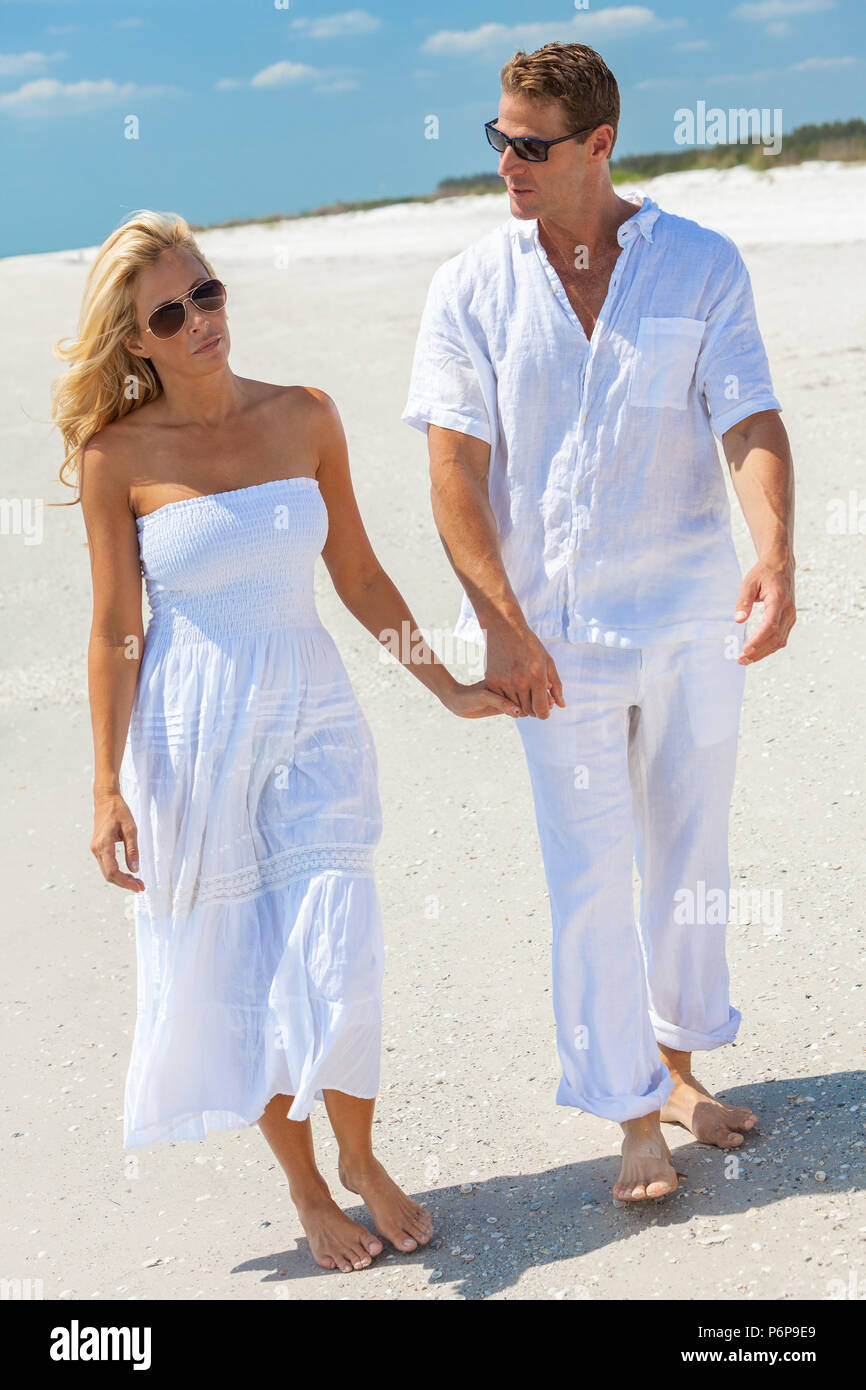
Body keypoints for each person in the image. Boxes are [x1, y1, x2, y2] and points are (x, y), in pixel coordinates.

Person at [52, 210, 520, 1271]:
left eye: (203, 293)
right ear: (135, 341)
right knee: (243, 965)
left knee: (337, 943)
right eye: (167, 313)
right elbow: (117, 628)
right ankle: (307, 1188)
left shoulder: (305, 414)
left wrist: (442, 682)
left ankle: (358, 1157)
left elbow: (355, 574)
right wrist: (103, 787)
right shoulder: (116, 454)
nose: (198, 321)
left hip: (311, 715)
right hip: (189, 738)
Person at [402, 43, 796, 1202]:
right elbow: (452, 473)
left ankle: (676, 1068)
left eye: (530, 144)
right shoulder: (467, 286)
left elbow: (750, 416)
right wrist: (500, 622)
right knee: (588, 874)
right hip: (552, 640)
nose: (507, 163)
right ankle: (628, 1110)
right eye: (497, 140)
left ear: (597, 146)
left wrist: (771, 551)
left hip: (688, 618)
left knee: (688, 860)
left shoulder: (700, 265)